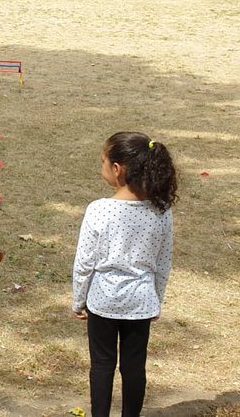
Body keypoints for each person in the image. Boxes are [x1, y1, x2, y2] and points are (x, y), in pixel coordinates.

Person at [72, 132, 177, 417]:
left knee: (102, 366)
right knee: (134, 367)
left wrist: (78, 301)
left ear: (117, 169)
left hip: (102, 301)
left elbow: (84, 263)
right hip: (141, 302)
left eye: (103, 161)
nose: (101, 167)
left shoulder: (98, 210)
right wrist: (157, 299)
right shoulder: (162, 212)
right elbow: (163, 262)